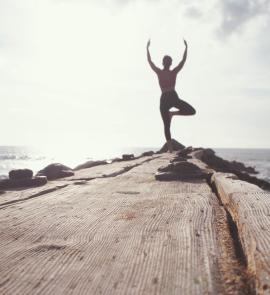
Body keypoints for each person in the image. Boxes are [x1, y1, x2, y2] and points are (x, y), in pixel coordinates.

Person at [147, 38, 196, 153]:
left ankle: (172, 113)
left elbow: (150, 62)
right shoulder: (165, 72)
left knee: (189, 112)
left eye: (169, 61)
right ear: (165, 63)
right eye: (168, 61)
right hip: (168, 98)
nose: (168, 63)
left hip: (169, 97)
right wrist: (186, 48)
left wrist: (186, 48)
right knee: (166, 124)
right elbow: (182, 61)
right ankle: (170, 150)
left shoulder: (168, 72)